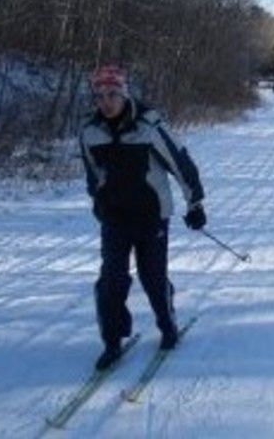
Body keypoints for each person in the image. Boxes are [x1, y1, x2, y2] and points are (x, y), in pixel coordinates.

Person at [79, 64, 206, 370]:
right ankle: (112, 341)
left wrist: (195, 203)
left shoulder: (149, 125)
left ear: (124, 93)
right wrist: (99, 201)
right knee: (111, 280)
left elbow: (181, 163)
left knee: (152, 277)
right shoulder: (89, 131)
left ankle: (167, 324)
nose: (106, 101)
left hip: (151, 216)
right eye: (100, 95)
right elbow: (93, 174)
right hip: (115, 217)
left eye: (112, 94)